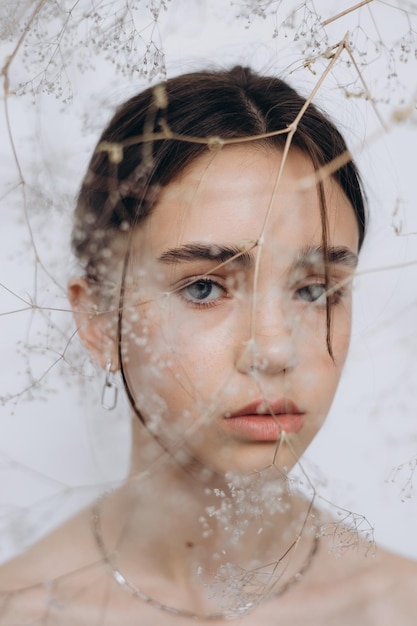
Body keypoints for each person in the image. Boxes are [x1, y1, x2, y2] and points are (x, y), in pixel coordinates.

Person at [0, 65, 416, 625]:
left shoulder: (397, 605)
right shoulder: (22, 611)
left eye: (315, 289)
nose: (273, 351)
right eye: (204, 287)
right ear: (99, 320)